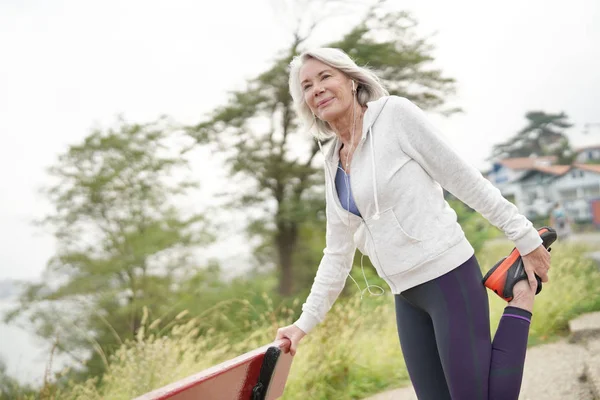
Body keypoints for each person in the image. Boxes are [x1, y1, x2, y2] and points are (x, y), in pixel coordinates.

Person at [275, 48, 551, 400]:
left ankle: (522, 297)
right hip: (406, 295)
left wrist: (526, 239)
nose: (316, 89)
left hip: (448, 276)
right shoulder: (331, 161)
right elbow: (337, 253)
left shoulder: (395, 116)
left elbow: (464, 180)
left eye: (325, 77)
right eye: (307, 85)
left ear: (351, 79)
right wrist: (303, 324)